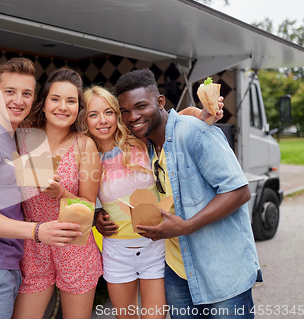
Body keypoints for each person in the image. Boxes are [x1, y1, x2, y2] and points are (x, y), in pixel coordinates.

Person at [99, 68, 261, 319]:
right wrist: (99, 213)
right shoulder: (149, 145)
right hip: (176, 271)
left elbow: (239, 192)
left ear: (160, 101)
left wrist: (187, 226)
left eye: (141, 106)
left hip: (220, 271)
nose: (133, 117)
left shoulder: (195, 133)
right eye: (125, 111)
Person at [0, 58, 81, 319]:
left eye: (26, 94)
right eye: (9, 91)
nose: (18, 100)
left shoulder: (4, 136)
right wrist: (37, 231)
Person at [85, 86, 222, 319]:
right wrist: (97, 213)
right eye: (93, 114)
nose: (102, 120)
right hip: (117, 252)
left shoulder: (141, 140)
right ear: (84, 120)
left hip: (156, 247)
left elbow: (179, 116)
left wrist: (204, 113)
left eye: (108, 112)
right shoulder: (88, 157)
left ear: (117, 114)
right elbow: (85, 198)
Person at [12, 68, 103, 319]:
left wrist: (60, 193)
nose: (63, 107)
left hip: (73, 244)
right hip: (34, 243)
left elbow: (88, 206)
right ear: (43, 103)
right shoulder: (22, 136)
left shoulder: (84, 145)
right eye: (55, 99)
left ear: (78, 109)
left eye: (71, 101)